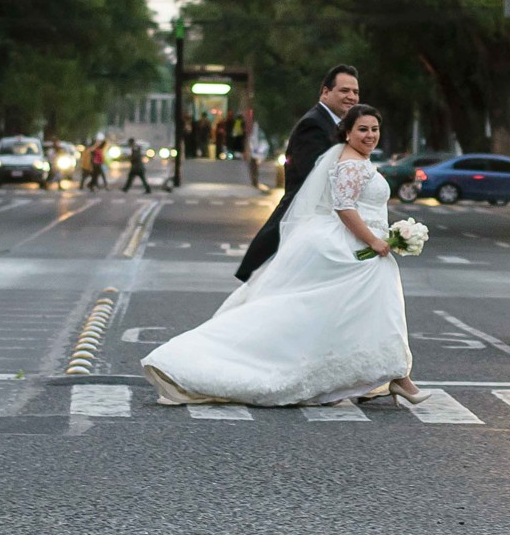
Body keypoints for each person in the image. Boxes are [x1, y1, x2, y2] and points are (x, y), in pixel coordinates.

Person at [143, 105, 428, 407]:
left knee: (354, 314)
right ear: (347, 132)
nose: (370, 135)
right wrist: (375, 240)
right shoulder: (351, 165)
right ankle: (397, 377)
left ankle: (388, 376)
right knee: (348, 311)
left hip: (363, 247)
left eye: (374, 129)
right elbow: (345, 208)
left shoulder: (357, 160)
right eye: (363, 129)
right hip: (356, 248)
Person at [234, 64, 360, 281]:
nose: (351, 97)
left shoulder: (337, 125)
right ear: (325, 92)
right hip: (305, 222)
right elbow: (311, 177)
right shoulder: (313, 124)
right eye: (344, 90)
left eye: (355, 92)